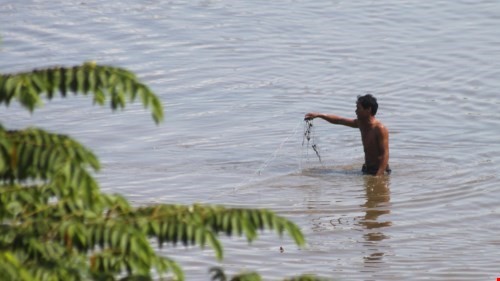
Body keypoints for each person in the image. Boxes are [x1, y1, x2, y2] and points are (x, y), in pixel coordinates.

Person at [304, 94, 390, 176]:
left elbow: (385, 154)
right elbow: (339, 120)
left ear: (368, 110)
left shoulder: (380, 129)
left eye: (358, 108)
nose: (356, 111)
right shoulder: (361, 124)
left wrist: (379, 176)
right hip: (367, 169)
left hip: (380, 171)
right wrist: (319, 115)